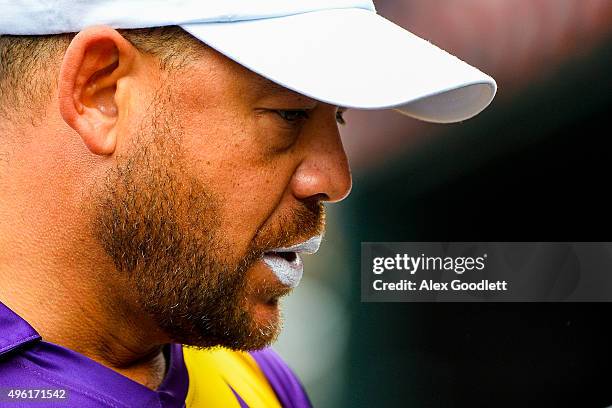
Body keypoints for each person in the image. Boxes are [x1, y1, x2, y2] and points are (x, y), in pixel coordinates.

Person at [0, 1, 496, 406]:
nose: (335, 179)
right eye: (289, 114)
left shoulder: (245, 376)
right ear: (101, 89)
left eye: (338, 118)